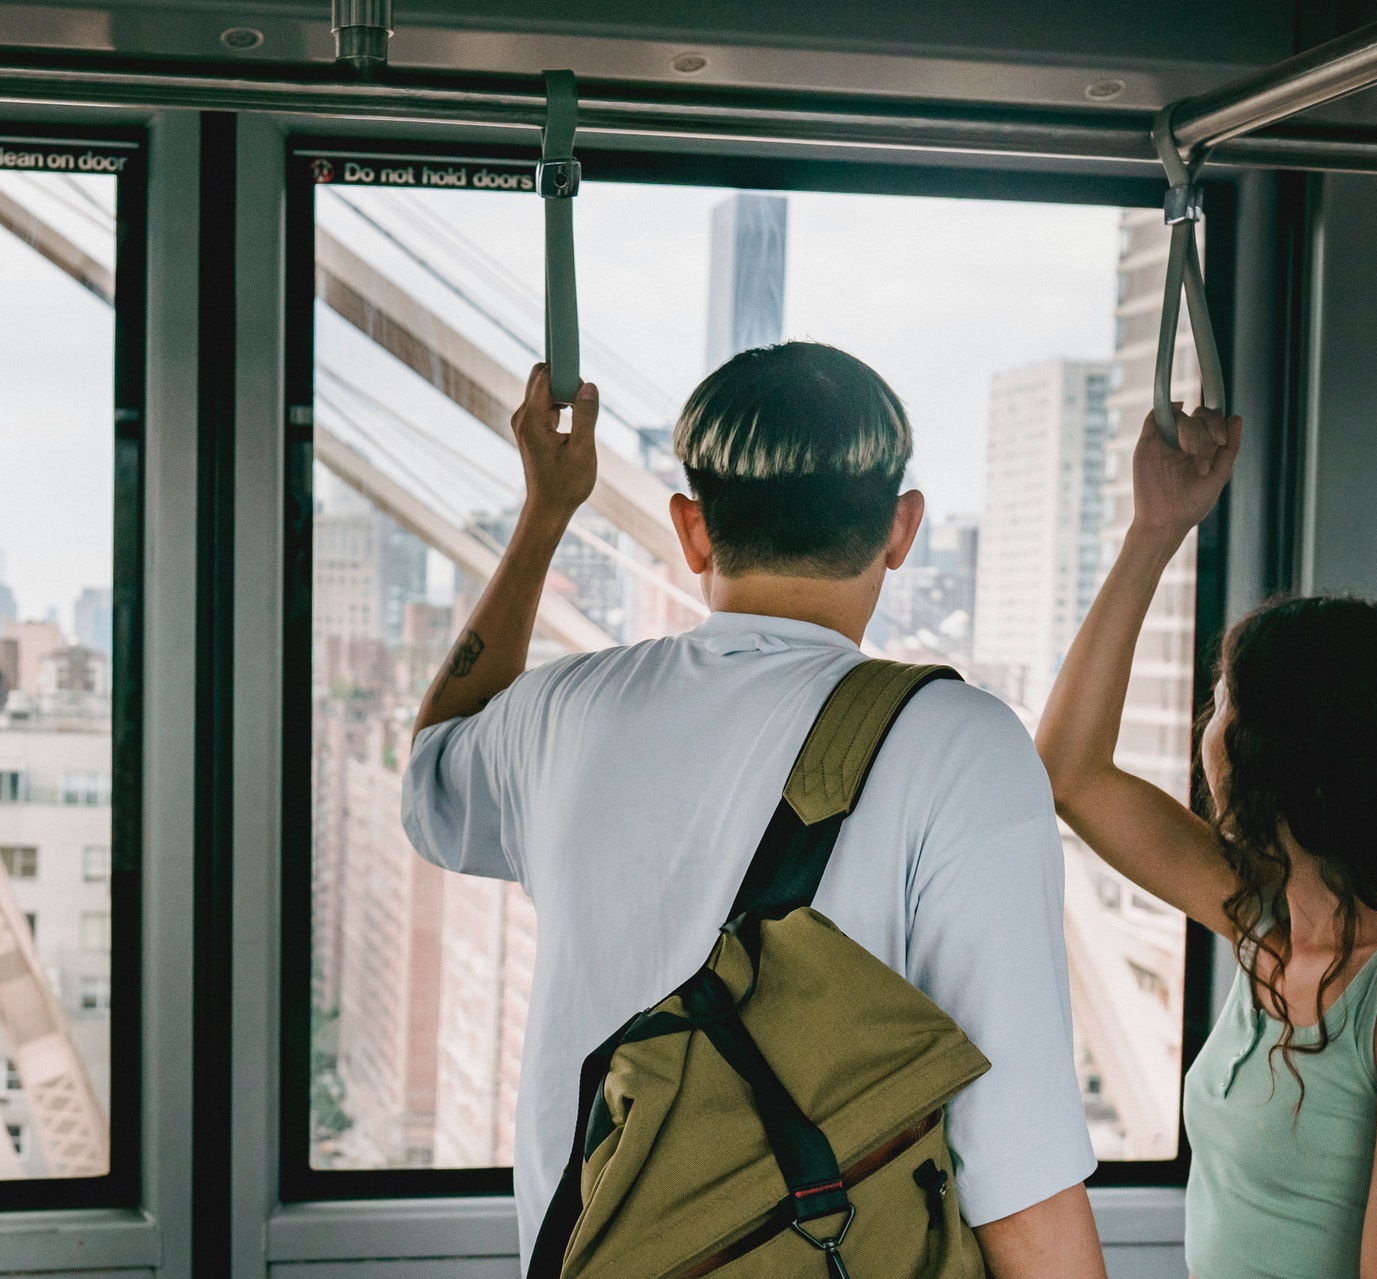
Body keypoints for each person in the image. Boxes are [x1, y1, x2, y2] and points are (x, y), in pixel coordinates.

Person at [402, 345, 1108, 1277]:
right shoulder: (962, 745)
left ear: (691, 531)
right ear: (903, 529)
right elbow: (1018, 1173)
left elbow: (433, 768)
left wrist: (546, 512)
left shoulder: (561, 711)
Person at [1036, 405, 1377, 1279]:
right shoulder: (1264, 914)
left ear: (1288, 752)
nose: (1205, 729)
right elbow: (1069, 773)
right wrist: (1156, 530)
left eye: (1223, 703)